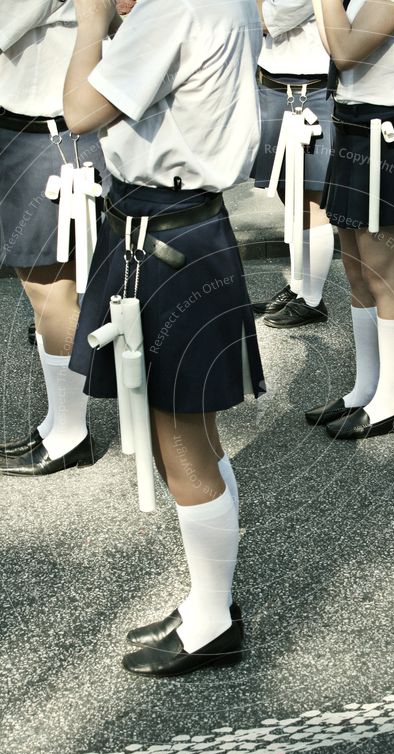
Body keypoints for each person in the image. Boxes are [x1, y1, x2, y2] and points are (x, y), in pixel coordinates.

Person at [64, 0, 265, 677]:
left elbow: (80, 112)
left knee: (177, 438)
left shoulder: (174, 6)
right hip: (188, 228)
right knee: (196, 434)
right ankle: (211, 602)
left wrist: (92, 20)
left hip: (165, 235)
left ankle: (212, 621)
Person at [304, 0, 394, 440]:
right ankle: (366, 388)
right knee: (356, 272)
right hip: (353, 127)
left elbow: (344, 52)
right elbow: (334, 48)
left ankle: (391, 403)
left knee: (384, 276)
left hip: (384, 135)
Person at [0, 0, 109, 475]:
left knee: (51, 291)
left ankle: (70, 433)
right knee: (43, 287)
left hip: (48, 135)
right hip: (33, 131)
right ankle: (57, 423)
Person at [252, 0, 334, 327]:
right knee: (290, 194)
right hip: (275, 83)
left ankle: (313, 300)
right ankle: (300, 285)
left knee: (313, 200)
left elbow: (265, 20)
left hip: (311, 88)